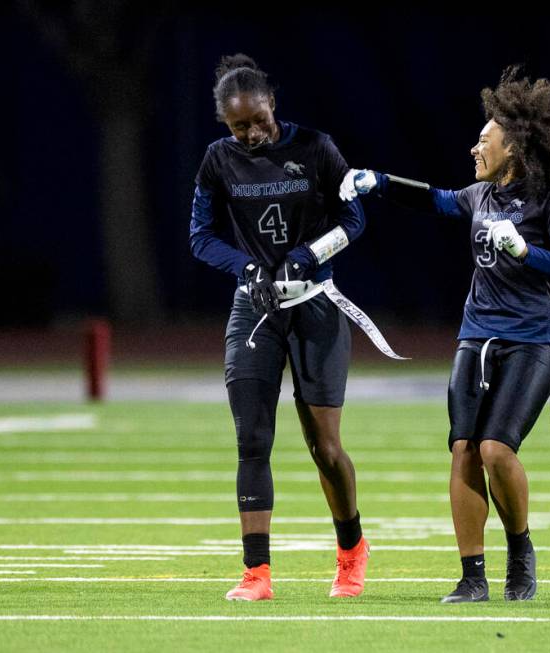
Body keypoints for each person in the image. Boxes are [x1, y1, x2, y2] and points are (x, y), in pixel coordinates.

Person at [340, 66, 550, 603]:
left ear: (516, 147)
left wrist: (528, 251)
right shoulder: (479, 196)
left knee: (496, 450)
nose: (474, 148)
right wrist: (379, 182)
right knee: (462, 449)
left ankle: (520, 551)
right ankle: (472, 577)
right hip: (475, 338)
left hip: (531, 341)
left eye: (485, 140)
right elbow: (436, 198)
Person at [189, 54, 370, 601]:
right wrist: (246, 268)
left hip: (315, 305)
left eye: (257, 120)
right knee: (252, 441)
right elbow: (200, 236)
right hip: (255, 310)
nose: (250, 134)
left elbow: (355, 218)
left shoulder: (316, 147)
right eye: (238, 126)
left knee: (325, 447)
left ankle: (351, 551)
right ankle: (256, 575)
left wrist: (307, 256)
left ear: (273, 105)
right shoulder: (217, 160)